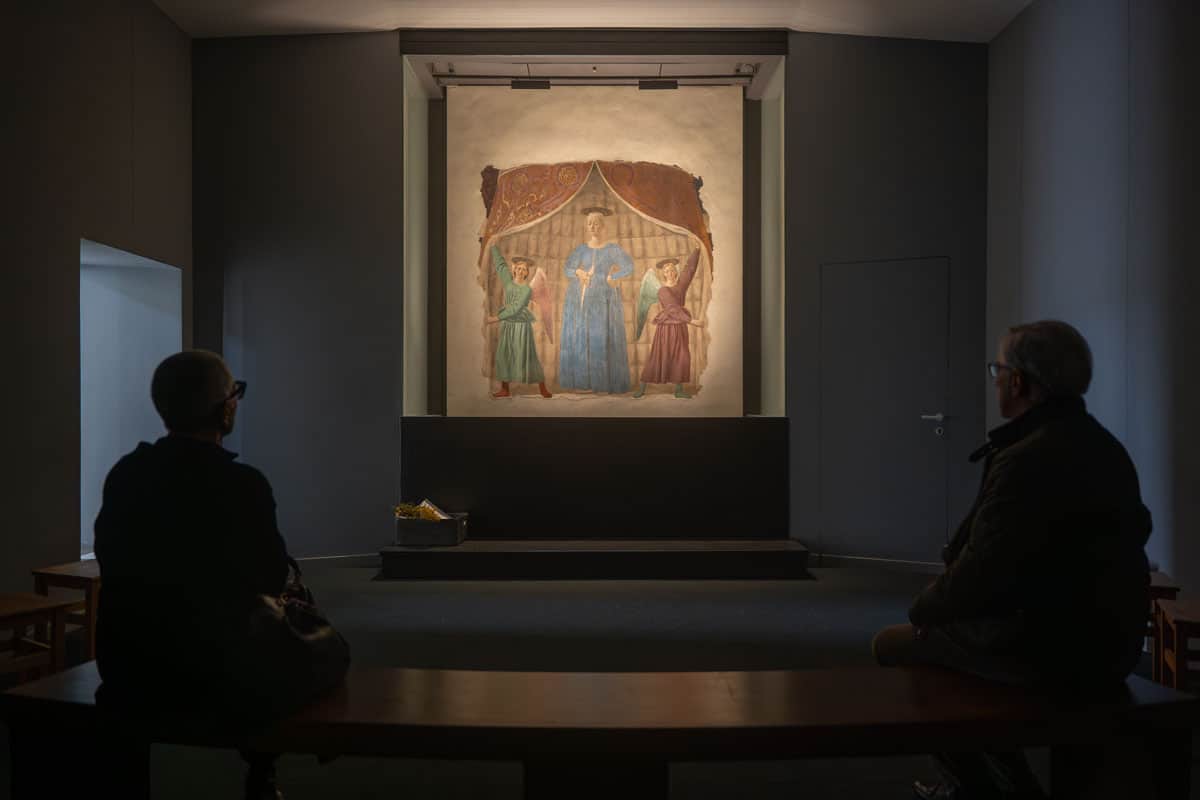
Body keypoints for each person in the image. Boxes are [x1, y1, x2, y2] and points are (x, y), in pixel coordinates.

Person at [872, 320, 1151, 800]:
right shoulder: (1106, 446)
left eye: (997, 371)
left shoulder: (1026, 458)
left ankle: (986, 786)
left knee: (895, 645)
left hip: (1048, 647)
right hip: (1114, 643)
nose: (996, 379)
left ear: (1018, 382)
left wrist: (924, 610)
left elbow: (982, 572)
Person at [94, 350, 348, 800]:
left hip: (129, 666)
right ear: (224, 408)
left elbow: (111, 558)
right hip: (215, 673)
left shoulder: (125, 475)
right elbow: (269, 576)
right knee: (331, 651)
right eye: (235, 394)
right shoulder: (243, 484)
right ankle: (263, 770)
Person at [558, 207, 635, 393]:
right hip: (582, 297)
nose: (593, 227)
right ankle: (585, 383)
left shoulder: (612, 249)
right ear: (586, 226)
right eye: (590, 224)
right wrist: (578, 272)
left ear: (603, 226)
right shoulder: (581, 249)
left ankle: (603, 384)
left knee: (602, 337)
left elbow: (629, 266)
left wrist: (614, 278)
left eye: (597, 224)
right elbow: (567, 269)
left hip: (605, 299)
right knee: (584, 337)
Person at [632, 249, 704, 399]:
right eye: (666, 271)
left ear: (675, 271)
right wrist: (692, 321)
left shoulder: (681, 285)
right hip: (666, 329)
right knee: (658, 357)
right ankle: (642, 387)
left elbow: (690, 269)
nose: (670, 272)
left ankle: (679, 390)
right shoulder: (662, 290)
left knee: (682, 356)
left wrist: (698, 249)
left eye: (672, 269)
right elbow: (672, 309)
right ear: (663, 274)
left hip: (680, 327)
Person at [487, 246, 552, 398]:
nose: (521, 271)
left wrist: (494, 319)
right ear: (514, 270)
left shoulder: (527, 290)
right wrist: (492, 245)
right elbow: (500, 265)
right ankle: (505, 389)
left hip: (521, 327)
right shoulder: (508, 282)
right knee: (505, 355)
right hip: (508, 325)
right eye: (519, 268)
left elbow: (515, 309)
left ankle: (542, 387)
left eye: (524, 269)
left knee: (528, 356)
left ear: (527, 273)